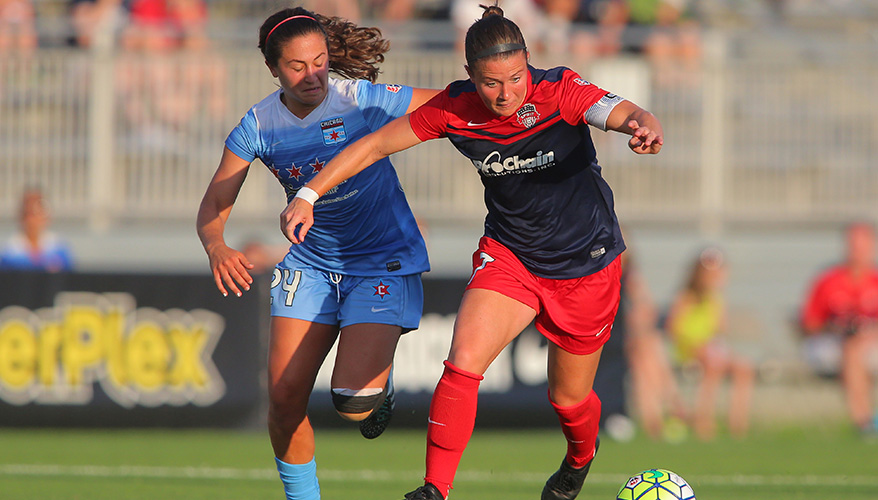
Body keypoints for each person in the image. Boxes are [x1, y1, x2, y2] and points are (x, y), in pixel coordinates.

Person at [281, 5, 664, 499]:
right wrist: (309, 194)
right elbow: (374, 146)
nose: (506, 94)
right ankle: (435, 489)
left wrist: (644, 126)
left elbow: (625, 111)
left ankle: (578, 459)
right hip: (512, 256)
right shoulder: (455, 108)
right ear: (469, 77)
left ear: (529, 60)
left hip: (585, 263)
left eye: (515, 77)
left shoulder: (561, 90)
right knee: (463, 362)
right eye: (490, 83)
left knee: (568, 400)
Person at [194, 8, 438, 500]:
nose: (314, 75)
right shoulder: (258, 125)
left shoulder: (360, 99)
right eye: (297, 66)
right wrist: (217, 245)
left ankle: (378, 393)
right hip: (311, 265)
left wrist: (514, 97)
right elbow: (215, 203)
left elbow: (450, 105)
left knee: (353, 404)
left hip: (380, 262)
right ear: (273, 70)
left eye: (321, 61)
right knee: (284, 399)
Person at [666, 246, 754, 441]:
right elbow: (675, 329)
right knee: (712, 366)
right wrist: (698, 344)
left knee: (743, 367)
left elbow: (720, 330)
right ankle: (703, 420)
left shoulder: (716, 299)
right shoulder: (686, 297)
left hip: (711, 350)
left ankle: (738, 424)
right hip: (689, 350)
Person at [800, 221, 878, 436]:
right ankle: (864, 422)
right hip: (830, 346)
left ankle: (867, 420)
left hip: (871, 347)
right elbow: (809, 324)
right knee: (851, 350)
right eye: (853, 244)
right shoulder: (828, 281)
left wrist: (868, 333)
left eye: (862, 245)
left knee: (857, 350)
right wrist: (835, 328)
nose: (857, 250)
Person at [617, 247, 688, 441]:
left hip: (638, 338)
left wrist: (641, 331)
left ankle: (667, 410)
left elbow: (645, 308)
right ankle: (662, 413)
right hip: (621, 337)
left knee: (652, 356)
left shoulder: (632, 277)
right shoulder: (608, 275)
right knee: (645, 364)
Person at [0, 188, 74, 272]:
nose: (33, 219)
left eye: (39, 212)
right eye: (29, 213)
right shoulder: (10, 252)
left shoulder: (59, 248)